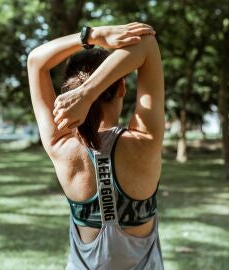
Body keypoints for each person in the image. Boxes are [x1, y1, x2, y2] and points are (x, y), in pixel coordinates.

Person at [27, 22, 164, 270]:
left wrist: (92, 35)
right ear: (121, 87)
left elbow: (35, 60)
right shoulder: (145, 140)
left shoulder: (61, 145)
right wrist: (88, 94)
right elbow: (147, 43)